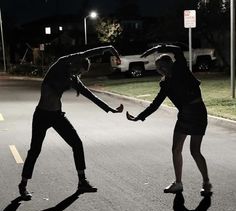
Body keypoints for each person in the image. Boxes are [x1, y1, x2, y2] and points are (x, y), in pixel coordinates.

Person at [18, 45, 123, 200]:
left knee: (77, 143)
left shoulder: (73, 79)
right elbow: (86, 52)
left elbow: (90, 95)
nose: (78, 74)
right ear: (75, 63)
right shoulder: (60, 64)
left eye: (80, 73)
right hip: (41, 115)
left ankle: (82, 181)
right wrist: (108, 48)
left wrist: (109, 109)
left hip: (57, 115)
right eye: (79, 71)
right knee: (35, 150)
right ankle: (23, 184)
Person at [126, 44, 212, 196]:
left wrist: (159, 47)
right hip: (185, 115)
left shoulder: (181, 69)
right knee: (176, 149)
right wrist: (140, 117)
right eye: (159, 67)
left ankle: (206, 182)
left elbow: (178, 50)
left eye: (162, 66)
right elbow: (156, 103)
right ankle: (178, 183)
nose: (160, 70)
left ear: (169, 64)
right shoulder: (165, 84)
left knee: (195, 151)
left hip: (197, 112)